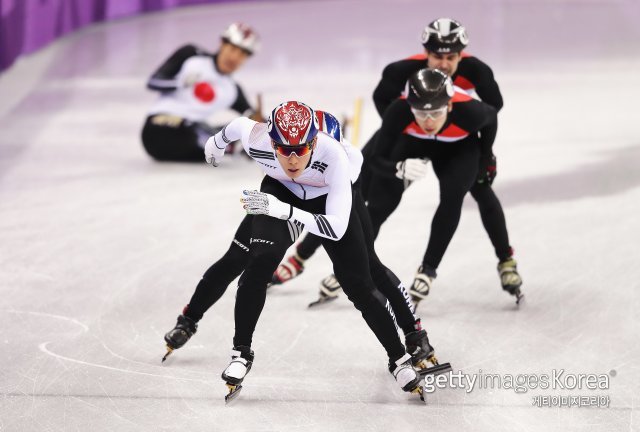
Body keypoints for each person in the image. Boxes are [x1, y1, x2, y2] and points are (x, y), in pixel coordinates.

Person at [163, 101, 431, 402]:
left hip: (328, 198)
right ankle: (235, 350)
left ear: (314, 142)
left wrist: (284, 211)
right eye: (283, 149)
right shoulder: (258, 139)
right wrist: (217, 142)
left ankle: (400, 356)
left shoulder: (340, 159)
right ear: (271, 141)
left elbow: (335, 228)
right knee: (250, 262)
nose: (292, 159)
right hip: (280, 191)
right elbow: (238, 125)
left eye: (301, 150)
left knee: (360, 281)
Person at [275, 18, 523, 305]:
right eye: (437, 56)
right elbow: (383, 101)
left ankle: (504, 261)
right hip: (409, 133)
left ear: (461, 55)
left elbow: (493, 111)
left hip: (457, 142)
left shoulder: (475, 79)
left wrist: (486, 155)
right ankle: (303, 256)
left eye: (451, 57)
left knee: (477, 188)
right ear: (425, 53)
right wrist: (406, 128)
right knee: (358, 188)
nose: (443, 64)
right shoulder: (402, 75)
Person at [142, 22, 263, 161]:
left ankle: (230, 145)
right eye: (233, 49)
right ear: (222, 44)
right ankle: (229, 146)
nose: (235, 57)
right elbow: (153, 82)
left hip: (189, 140)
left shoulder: (232, 90)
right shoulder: (191, 55)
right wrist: (180, 82)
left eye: (243, 54)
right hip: (158, 128)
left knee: (237, 129)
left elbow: (254, 118)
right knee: (199, 131)